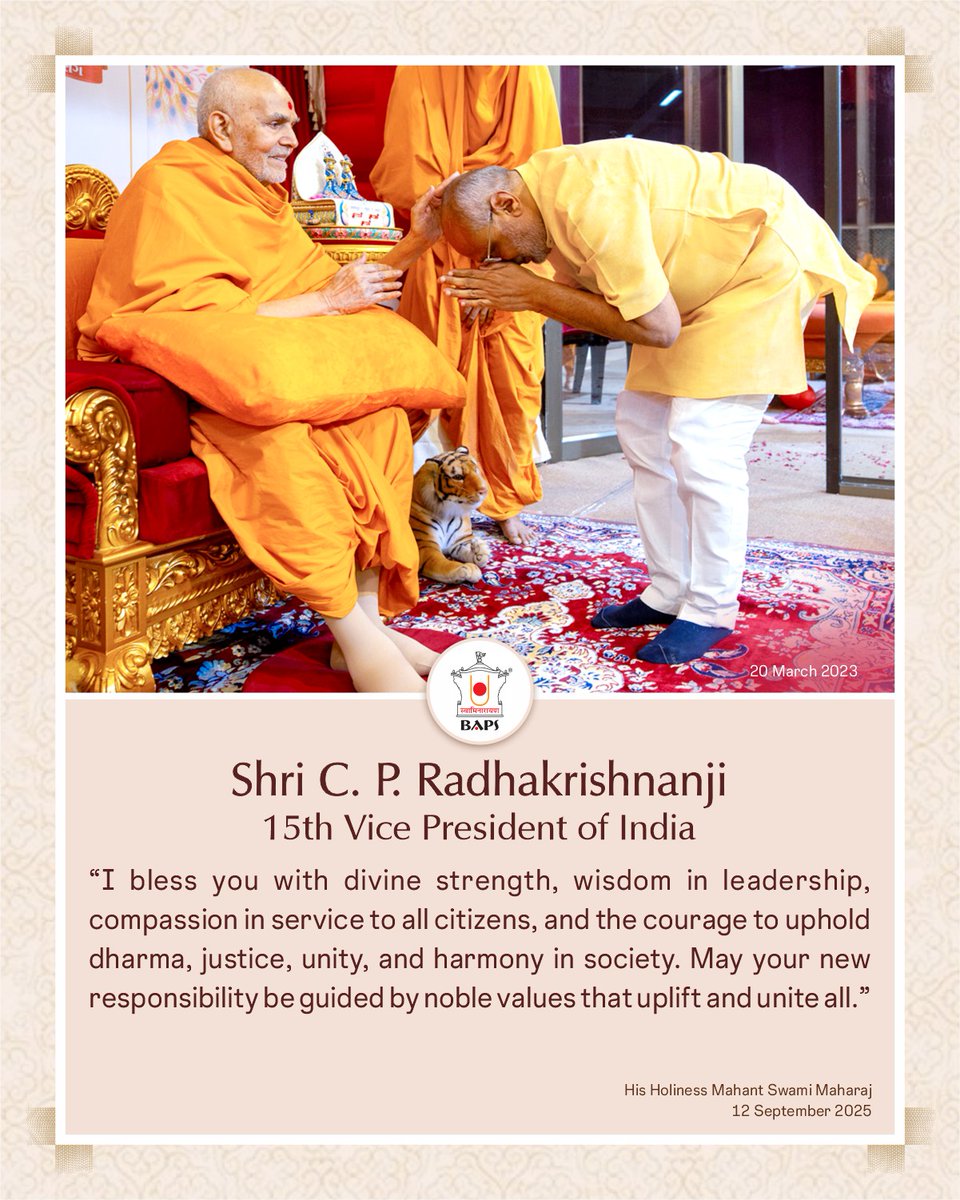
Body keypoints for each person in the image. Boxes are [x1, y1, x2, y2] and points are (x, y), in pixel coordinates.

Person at [78, 67, 459, 693]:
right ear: (222, 127)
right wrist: (324, 305)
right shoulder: (170, 186)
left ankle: (361, 627)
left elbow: (320, 290)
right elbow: (171, 317)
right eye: (276, 123)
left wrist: (417, 240)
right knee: (279, 441)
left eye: (292, 121)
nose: (291, 138)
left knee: (379, 419)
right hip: (201, 385)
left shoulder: (262, 201)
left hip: (274, 371)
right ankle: (362, 646)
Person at [438, 139, 875, 665]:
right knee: (642, 426)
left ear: (506, 204)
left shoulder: (588, 196)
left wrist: (531, 293)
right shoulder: (538, 203)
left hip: (758, 268)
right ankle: (669, 591)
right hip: (690, 294)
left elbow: (657, 328)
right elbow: (610, 306)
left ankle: (711, 608)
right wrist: (521, 291)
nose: (499, 260)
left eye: (493, 248)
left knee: (702, 445)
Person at [370, 65, 562, 546]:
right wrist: (462, 245)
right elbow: (409, 169)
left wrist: (497, 269)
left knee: (512, 381)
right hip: (438, 244)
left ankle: (504, 497)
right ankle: (434, 500)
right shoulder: (422, 67)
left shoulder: (528, 71)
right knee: (432, 373)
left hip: (512, 243)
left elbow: (538, 175)